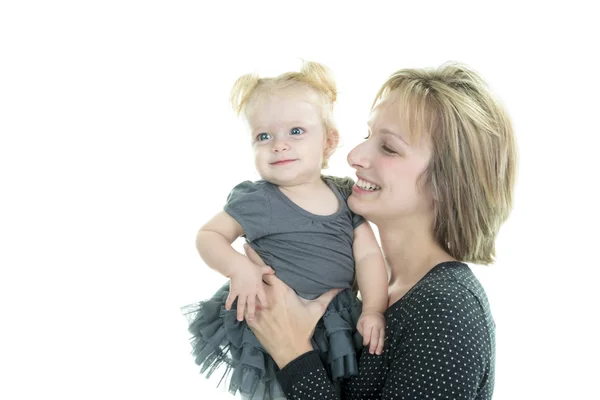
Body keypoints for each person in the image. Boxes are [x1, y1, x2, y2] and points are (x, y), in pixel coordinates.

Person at [246, 61, 517, 399]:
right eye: (367, 136)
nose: (355, 156)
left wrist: (292, 353)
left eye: (388, 147)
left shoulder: (445, 311)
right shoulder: (370, 287)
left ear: (448, 183)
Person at [181, 61, 389, 400]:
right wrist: (240, 269)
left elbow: (368, 256)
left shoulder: (342, 194)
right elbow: (208, 236)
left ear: (328, 142)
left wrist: (373, 310)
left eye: (296, 131)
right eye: (264, 136)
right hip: (269, 319)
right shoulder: (259, 198)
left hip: (336, 321)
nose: (278, 144)